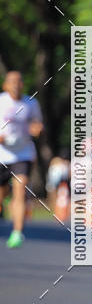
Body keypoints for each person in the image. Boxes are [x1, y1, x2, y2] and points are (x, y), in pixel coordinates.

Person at [0, 70, 44, 247]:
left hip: (23, 154)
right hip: (2, 154)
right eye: (12, 81)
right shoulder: (1, 102)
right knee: (2, 194)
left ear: (23, 84)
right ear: (5, 85)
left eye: (19, 81)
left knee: (20, 188)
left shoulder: (31, 103)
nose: (16, 84)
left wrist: (37, 129)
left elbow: (37, 124)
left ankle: (17, 233)